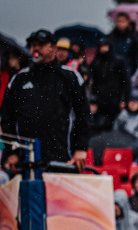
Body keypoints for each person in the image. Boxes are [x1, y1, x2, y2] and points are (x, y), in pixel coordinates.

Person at [0, 29, 89, 168]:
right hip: (25, 160)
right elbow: (7, 118)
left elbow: (84, 116)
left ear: (53, 48)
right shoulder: (20, 79)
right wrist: (11, 152)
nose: (36, 49)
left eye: (41, 45)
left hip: (62, 158)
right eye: (33, 45)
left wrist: (81, 148)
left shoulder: (70, 77)